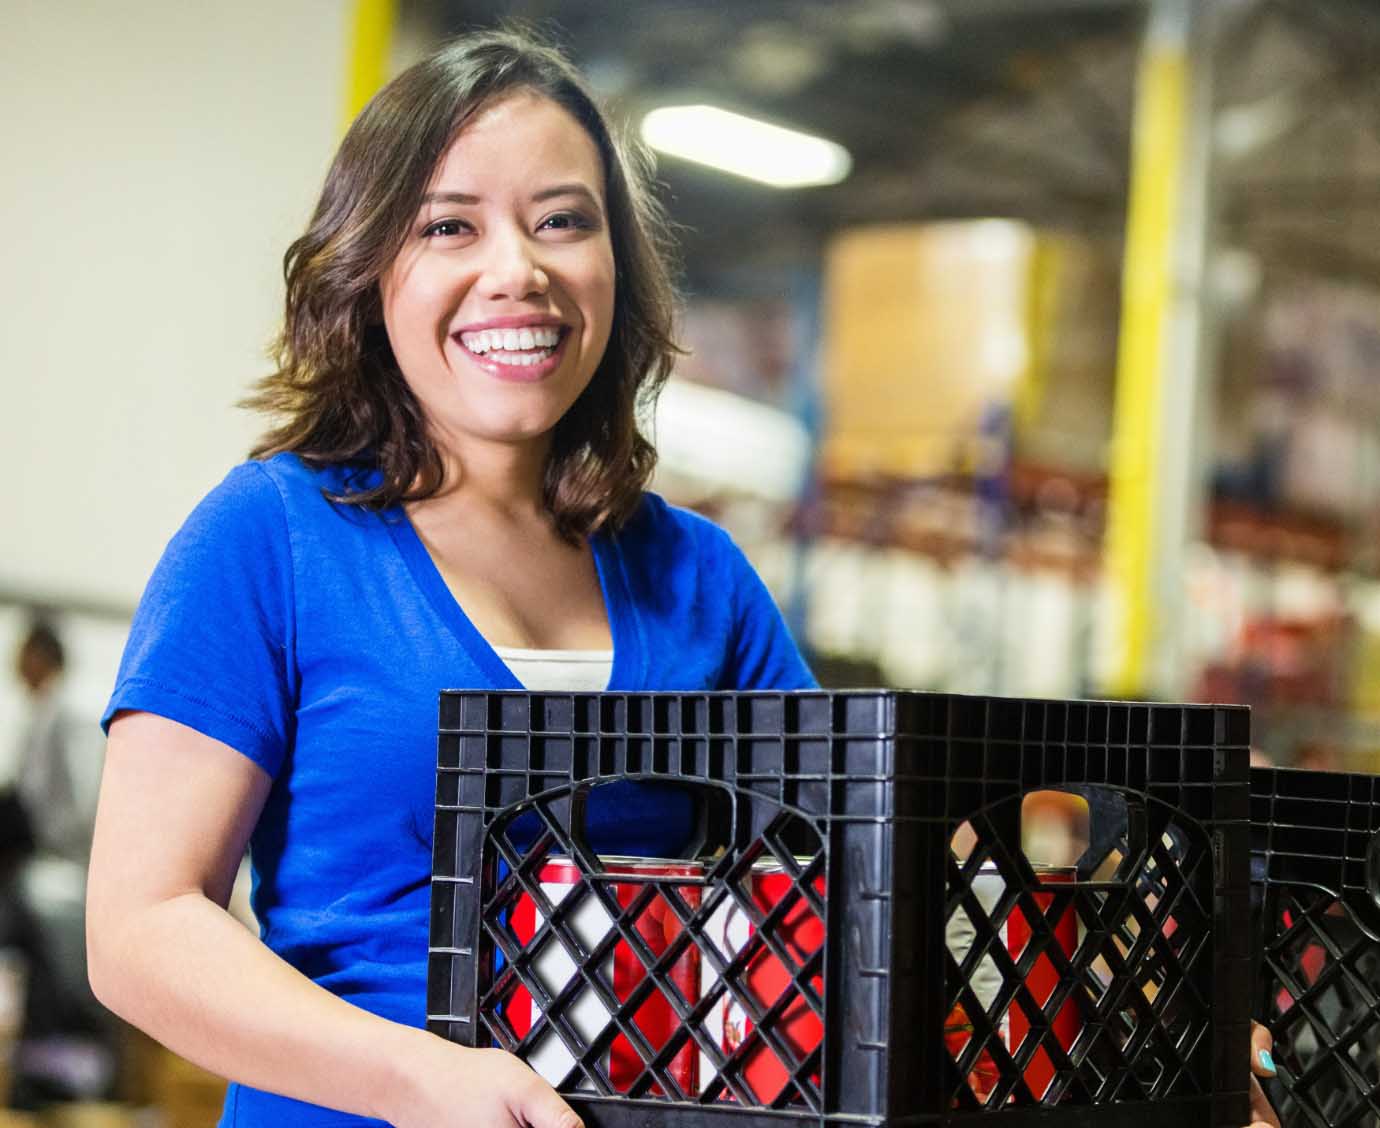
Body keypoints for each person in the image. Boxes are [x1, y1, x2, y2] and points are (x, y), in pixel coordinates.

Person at [86, 29, 814, 1128]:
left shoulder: (696, 576)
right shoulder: (274, 536)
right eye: (449, 227)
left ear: (617, 261)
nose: (516, 271)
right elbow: (139, 929)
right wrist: (422, 1079)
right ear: (372, 271)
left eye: (562, 220)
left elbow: (833, 870)